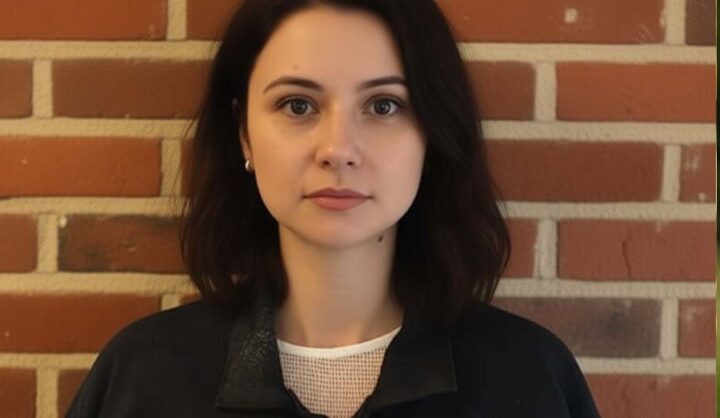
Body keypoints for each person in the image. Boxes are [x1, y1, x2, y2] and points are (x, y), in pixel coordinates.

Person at [66, 0, 602, 417]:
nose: (338, 149)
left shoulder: (529, 379)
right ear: (243, 134)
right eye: (297, 105)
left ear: (433, 134)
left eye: (384, 105)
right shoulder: (143, 378)